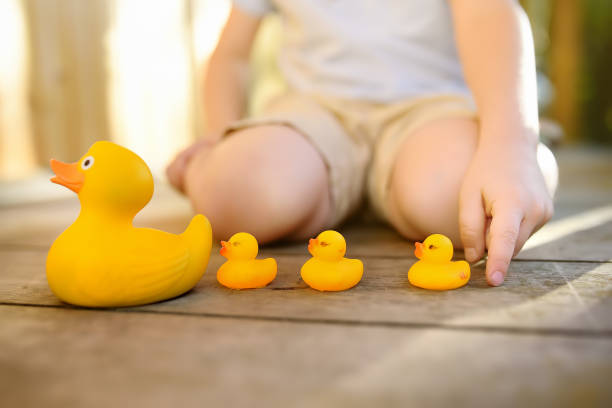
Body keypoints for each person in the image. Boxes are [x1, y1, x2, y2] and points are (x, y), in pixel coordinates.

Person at [166, 0, 558, 287]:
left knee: (473, 204)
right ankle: (214, 169)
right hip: (314, 112)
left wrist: (512, 146)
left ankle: (526, 161)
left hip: (432, 112)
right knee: (236, 191)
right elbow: (231, 55)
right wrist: (217, 138)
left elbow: (489, 14)